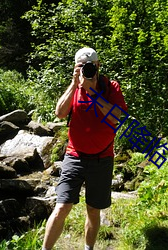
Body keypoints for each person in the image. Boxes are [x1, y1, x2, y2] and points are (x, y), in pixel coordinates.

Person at [42, 47, 127, 250]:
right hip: (75, 155)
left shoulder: (110, 87)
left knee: (93, 209)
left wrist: (91, 91)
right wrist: (74, 84)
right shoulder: (75, 87)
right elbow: (60, 113)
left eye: (90, 66)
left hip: (102, 157)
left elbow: (116, 117)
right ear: (75, 67)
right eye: (81, 66)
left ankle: (88, 248)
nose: (86, 69)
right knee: (62, 206)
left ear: (98, 65)